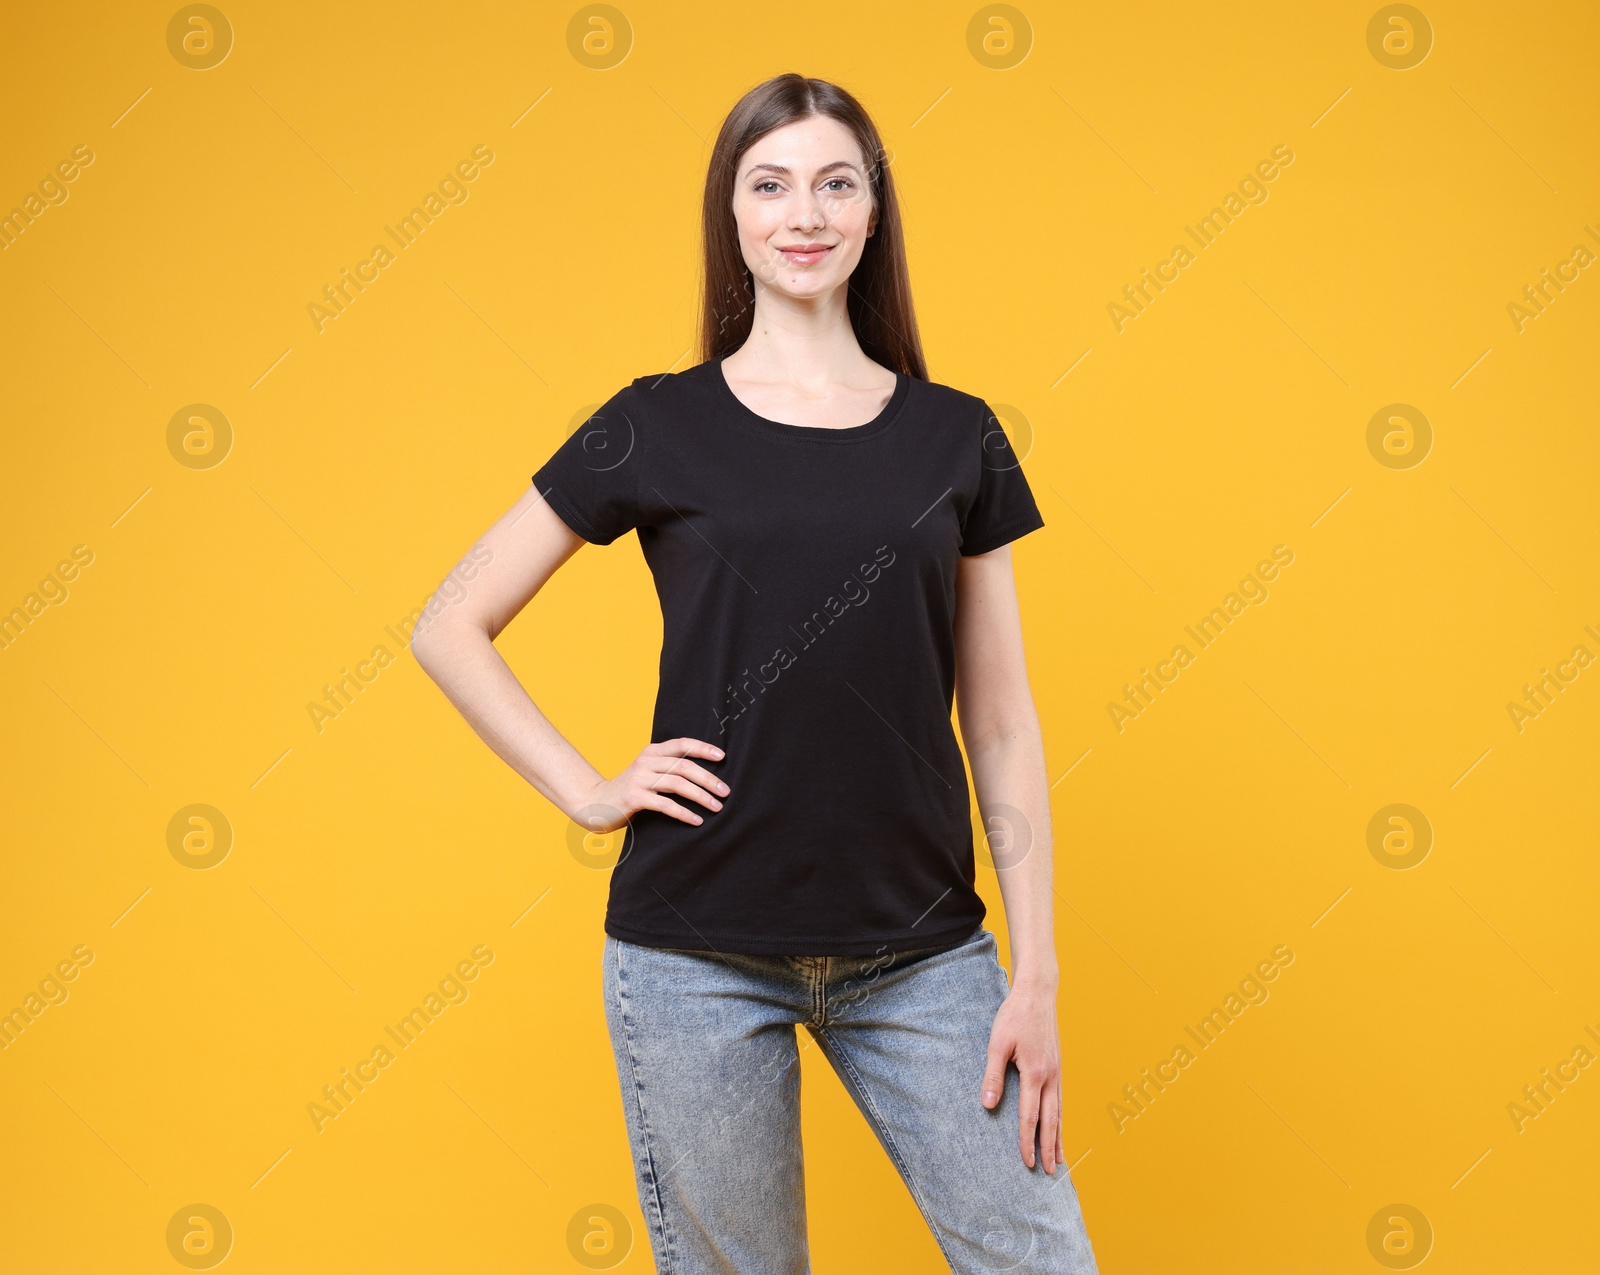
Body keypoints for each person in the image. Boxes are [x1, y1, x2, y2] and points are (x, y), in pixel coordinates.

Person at [411, 72, 1098, 1275]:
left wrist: (1032, 975)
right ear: (730, 218)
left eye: (837, 183)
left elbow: (998, 723)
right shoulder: (652, 423)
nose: (805, 213)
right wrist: (586, 789)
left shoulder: (957, 435)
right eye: (769, 185)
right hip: (694, 956)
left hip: (924, 954)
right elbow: (450, 622)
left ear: (873, 211)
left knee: (1038, 1258)